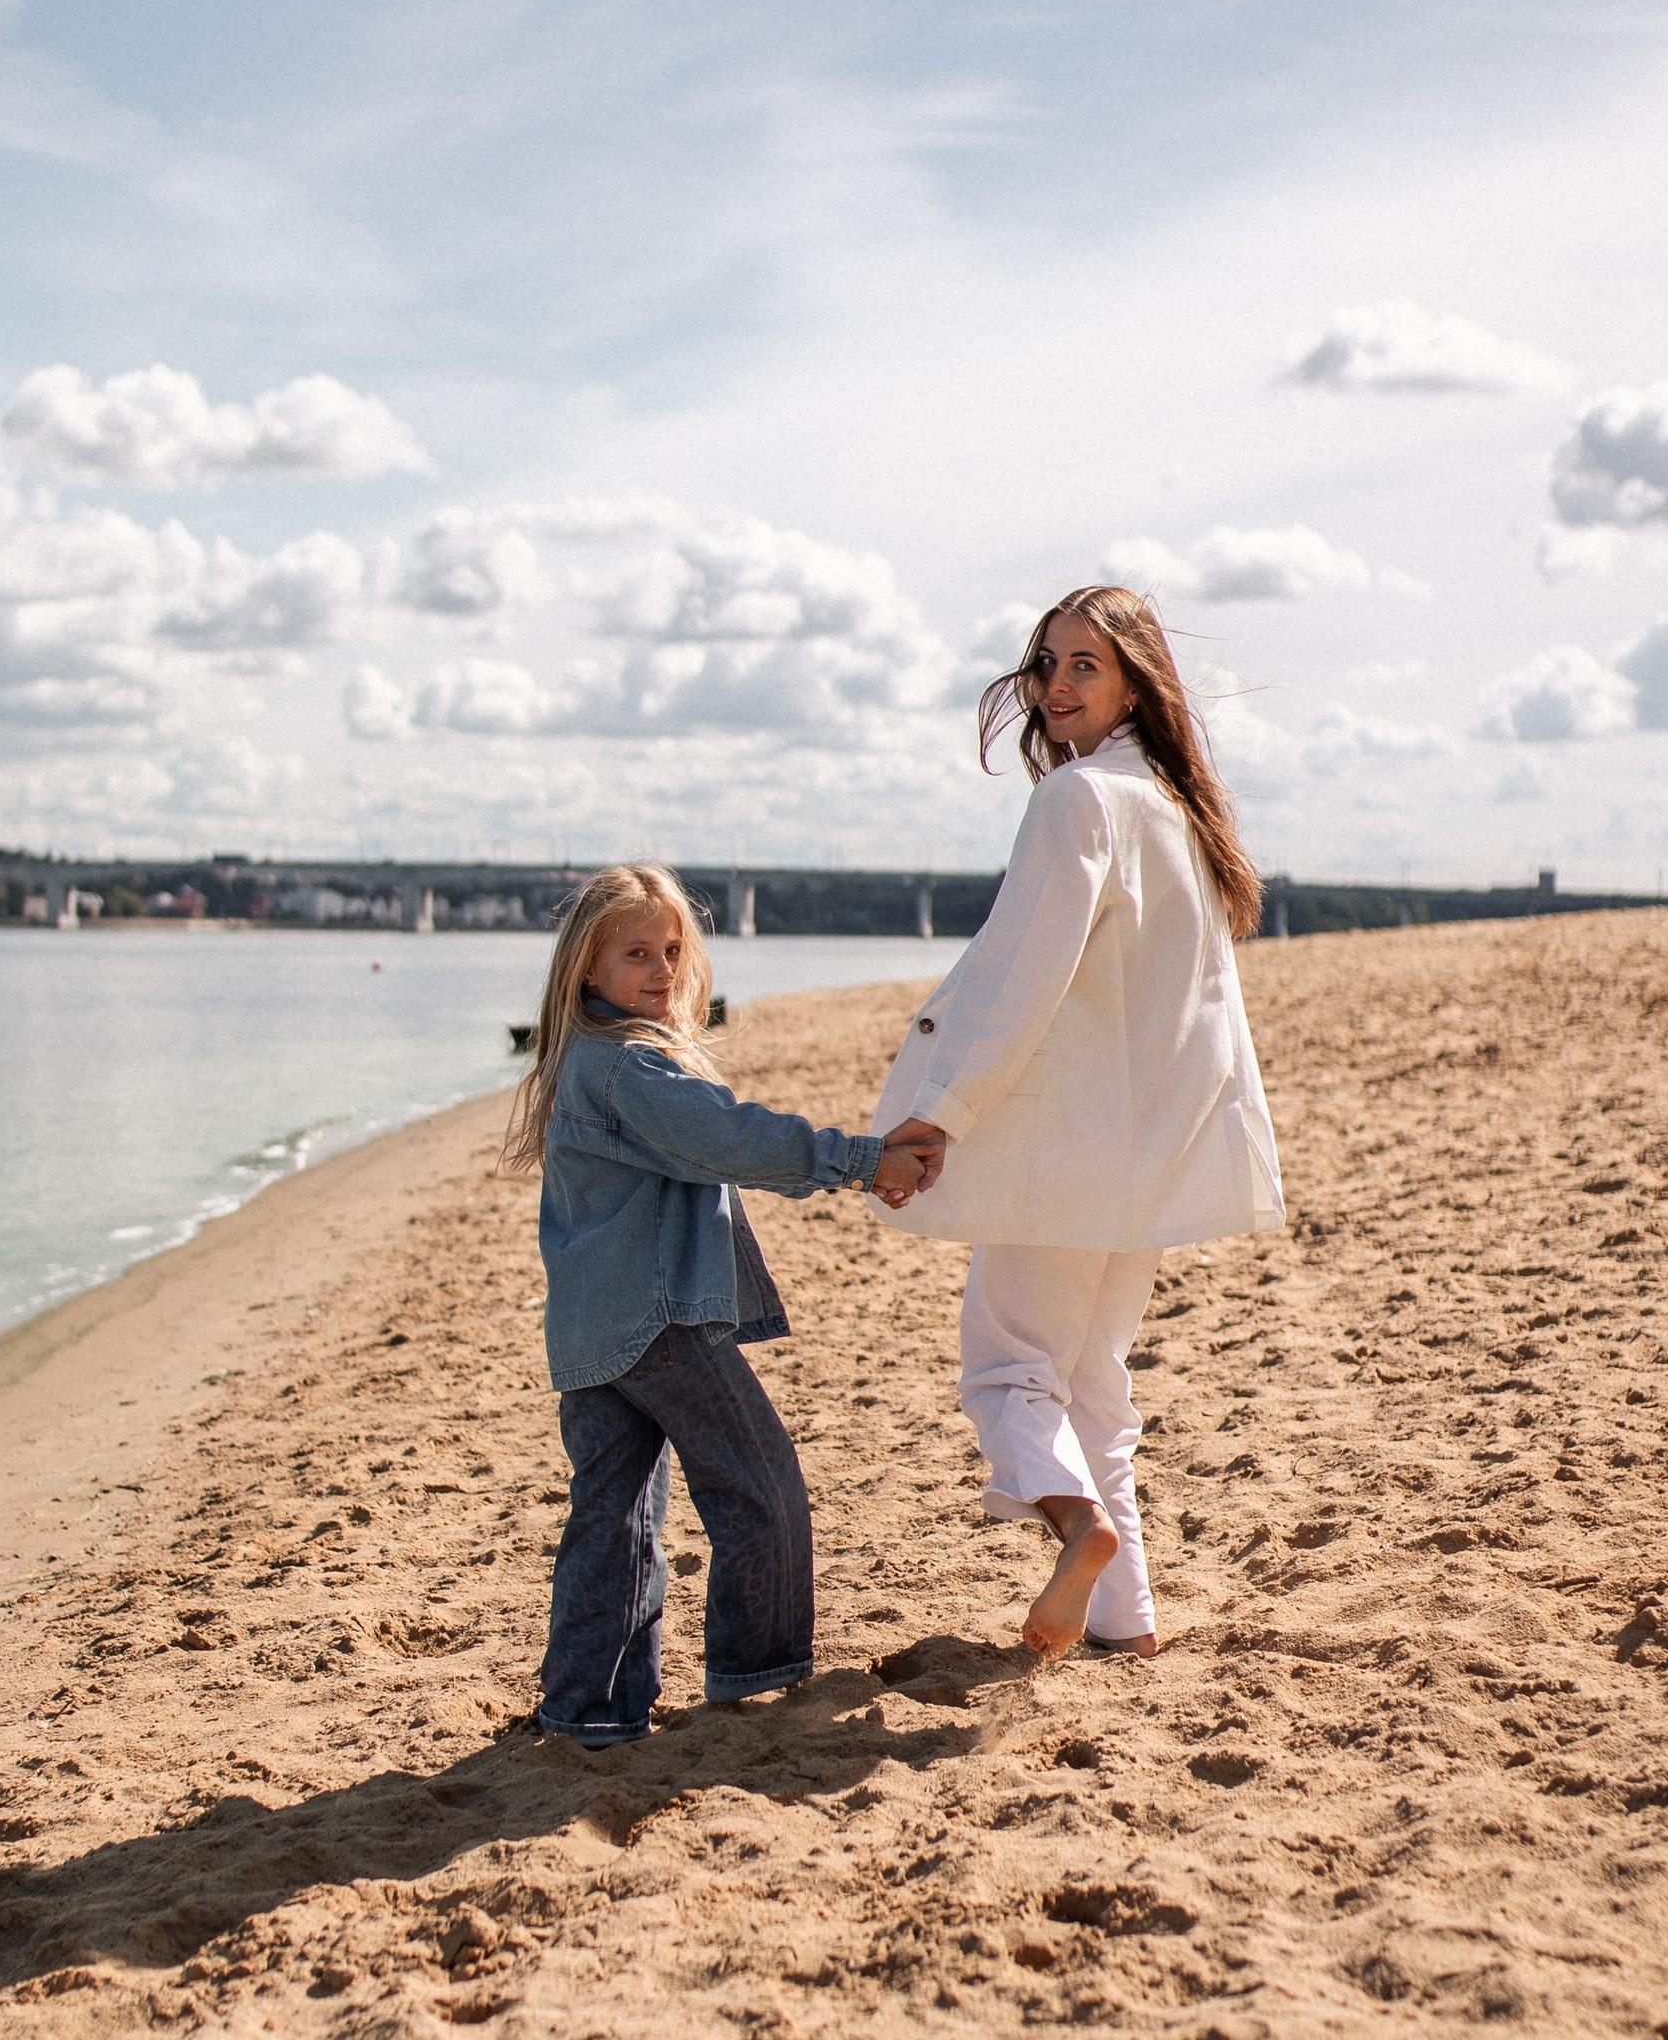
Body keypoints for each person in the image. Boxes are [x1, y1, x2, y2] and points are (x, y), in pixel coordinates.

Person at [870, 584, 1283, 1659]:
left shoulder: (1081, 802)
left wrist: (939, 1117)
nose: (1055, 684)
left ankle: (1073, 1523)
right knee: (1096, 1383)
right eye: (1046, 662)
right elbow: (1205, 1009)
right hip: (1145, 1164)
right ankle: (1125, 1617)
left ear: (1137, 678)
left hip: (1067, 1153)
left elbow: (1019, 984)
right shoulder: (1173, 806)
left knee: (1009, 1368)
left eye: (1084, 664)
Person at [506, 865, 947, 1749]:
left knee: (616, 1519)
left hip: (593, 1332)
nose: (662, 969)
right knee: (761, 1485)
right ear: (586, 970)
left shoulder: (587, 1063)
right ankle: (756, 1681)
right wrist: (860, 1158)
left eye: (672, 949)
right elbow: (733, 1137)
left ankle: (588, 1710)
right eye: (636, 953)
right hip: (653, 1323)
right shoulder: (630, 1069)